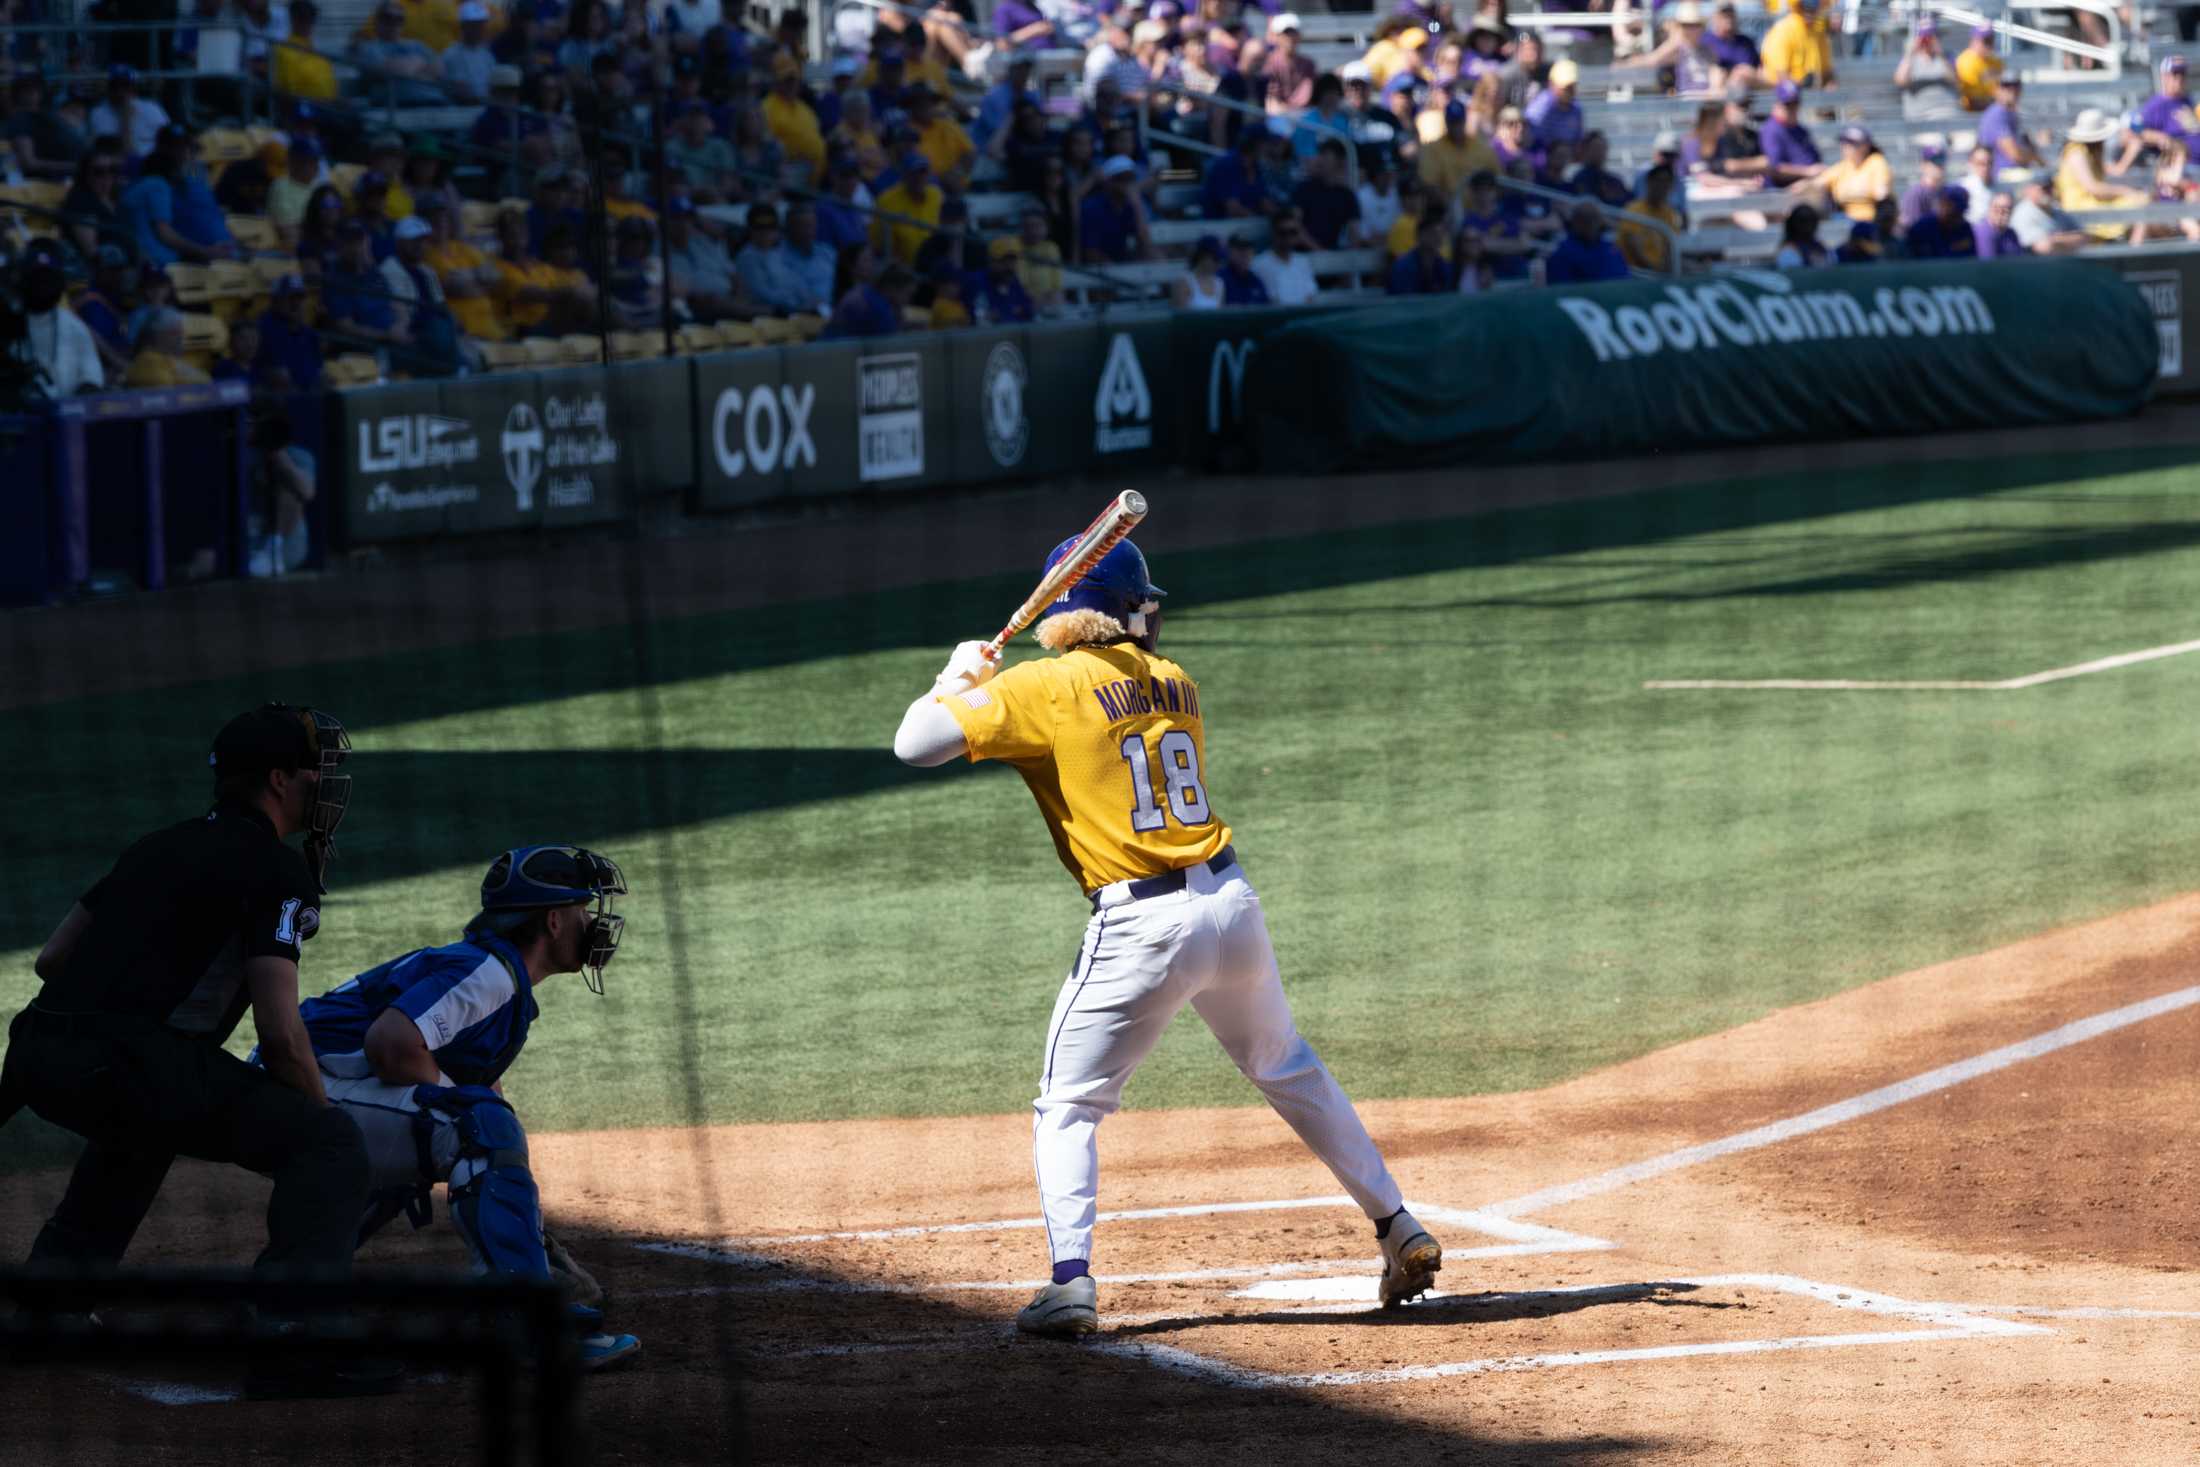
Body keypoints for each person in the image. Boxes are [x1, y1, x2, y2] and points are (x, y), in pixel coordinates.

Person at [891, 542, 1443, 1339]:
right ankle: (1397, 1223)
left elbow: (913, 743)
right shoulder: (1175, 679)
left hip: (1142, 927)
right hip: (1230, 905)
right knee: (1286, 1062)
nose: (1154, 611)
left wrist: (957, 678)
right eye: (1142, 602)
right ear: (1121, 609)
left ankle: (1070, 1283)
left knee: (1068, 1106)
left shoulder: (1044, 686)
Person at [0, 706, 382, 1399]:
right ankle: (297, 1339)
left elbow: (54, 958)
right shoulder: (277, 871)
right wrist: (325, 1121)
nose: (324, 786)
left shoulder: (155, 844)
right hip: (126, 1061)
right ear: (275, 780)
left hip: (33, 1049)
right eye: (313, 773)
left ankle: (48, 1307)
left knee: (145, 1118)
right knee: (326, 1143)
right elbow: (280, 1032)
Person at [287, 846, 639, 1372]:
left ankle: (292, 1298)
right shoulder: (489, 973)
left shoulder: (496, 977)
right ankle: (524, 1328)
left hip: (313, 1089)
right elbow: (390, 1044)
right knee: (476, 1125)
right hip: (304, 1090)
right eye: (584, 910)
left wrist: (530, 1238)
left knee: (465, 1123)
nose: (592, 922)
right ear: (554, 919)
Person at [11, 241, 106, 397]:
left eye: (48, 278)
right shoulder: (9, 325)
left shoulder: (73, 326)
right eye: (37, 278)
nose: (43, 284)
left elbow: (92, 379)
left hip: (67, 415)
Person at [2057, 108, 2147, 242]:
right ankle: (2135, 252)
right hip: (2081, 206)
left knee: (2143, 201)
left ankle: (2134, 249)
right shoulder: (2076, 152)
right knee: (2139, 204)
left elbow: (2115, 171)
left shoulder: (2089, 153)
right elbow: (2093, 188)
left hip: (2091, 202)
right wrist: (2125, 191)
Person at [5, 73, 86, 182]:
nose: (33, 92)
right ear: (18, 93)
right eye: (27, 89)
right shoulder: (20, 120)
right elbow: (30, 163)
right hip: (58, 180)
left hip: (83, 168)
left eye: (36, 88)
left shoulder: (49, 113)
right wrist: (74, 166)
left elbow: (77, 126)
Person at [1804, 124, 1889, 224]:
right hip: (1844, 220)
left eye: (1852, 144)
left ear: (1865, 146)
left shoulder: (1876, 162)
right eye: (1844, 143)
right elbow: (1817, 184)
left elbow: (1882, 195)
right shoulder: (1843, 166)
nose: (1846, 147)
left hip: (1871, 221)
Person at [1079, 154, 1154, 263]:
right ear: (1108, 182)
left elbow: (1144, 242)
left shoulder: (1130, 205)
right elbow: (1090, 252)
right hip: (1096, 269)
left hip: (1121, 262)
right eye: (1120, 178)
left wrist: (1137, 205)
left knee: (1155, 256)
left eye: (1130, 178)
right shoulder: (1092, 207)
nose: (1126, 183)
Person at [89, 65, 172, 163]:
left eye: (125, 85)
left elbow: (168, 140)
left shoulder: (152, 109)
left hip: (151, 164)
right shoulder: (98, 113)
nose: (120, 91)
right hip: (114, 167)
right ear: (109, 87)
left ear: (133, 86)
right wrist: (125, 120)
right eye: (115, 85)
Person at [872, 151, 945, 264]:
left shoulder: (936, 195)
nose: (919, 177)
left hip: (934, 264)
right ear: (904, 175)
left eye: (923, 172)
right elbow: (879, 246)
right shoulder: (887, 201)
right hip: (905, 269)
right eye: (914, 173)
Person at [256, 274, 325, 390]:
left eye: (299, 298)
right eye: (290, 298)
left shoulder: (309, 333)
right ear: (275, 301)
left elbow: (319, 370)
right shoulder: (263, 330)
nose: (296, 303)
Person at [1292, 138, 1362, 249]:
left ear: (1340, 161)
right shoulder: (1303, 189)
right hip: (1304, 256)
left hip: (1334, 256)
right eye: (1319, 154)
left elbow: (1354, 231)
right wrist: (1318, 250)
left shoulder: (1347, 195)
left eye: (1325, 155)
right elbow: (1294, 224)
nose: (1319, 159)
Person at [122, 307, 212, 387]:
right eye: (175, 333)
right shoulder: (148, 363)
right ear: (158, 335)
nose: (181, 338)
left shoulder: (169, 359)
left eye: (181, 332)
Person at [274, 0, 341, 103]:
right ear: (293, 20)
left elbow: (330, 82)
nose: (307, 24)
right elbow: (291, 89)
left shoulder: (315, 48)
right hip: (306, 107)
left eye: (310, 20)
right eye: (302, 19)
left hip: (327, 104)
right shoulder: (284, 49)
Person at [1618, 163, 1681, 272]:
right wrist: (1655, 270)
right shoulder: (1633, 210)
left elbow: (1669, 250)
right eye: (1659, 181)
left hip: (1661, 273)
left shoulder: (1670, 214)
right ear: (1649, 182)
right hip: (1637, 274)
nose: (1662, 186)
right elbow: (1634, 249)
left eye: (1667, 182)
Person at [1544, 200, 1628, 283]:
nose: (1590, 224)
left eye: (1593, 219)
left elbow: (1623, 281)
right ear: (1575, 222)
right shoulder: (1562, 253)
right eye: (1585, 220)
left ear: (1599, 222)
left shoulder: (1612, 250)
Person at [1757, 80, 1822, 185]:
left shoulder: (1800, 130)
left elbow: (1815, 159)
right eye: (1788, 105)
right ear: (1777, 104)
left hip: (1808, 185)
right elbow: (1774, 168)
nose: (1793, 109)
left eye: (1795, 104)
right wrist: (1807, 172)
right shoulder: (1770, 130)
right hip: (1783, 190)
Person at [1759, 0, 1833, 90]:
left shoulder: (1819, 34)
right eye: (1805, 7)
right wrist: (1801, 86)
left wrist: (1831, 86)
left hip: (1814, 94)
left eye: (1813, 7)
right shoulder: (1783, 30)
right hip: (1784, 96)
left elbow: (1827, 72)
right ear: (1797, 6)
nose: (1809, 12)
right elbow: (1780, 75)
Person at [1894, 20, 1959, 121]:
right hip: (1922, 115)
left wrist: (1940, 55)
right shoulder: (1910, 60)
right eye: (1924, 37)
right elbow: (1901, 81)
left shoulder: (1947, 57)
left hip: (1948, 112)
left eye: (1931, 36)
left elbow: (1954, 79)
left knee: (1967, 137)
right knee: (1934, 137)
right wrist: (1910, 53)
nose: (1927, 41)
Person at [1250, 207, 1316, 303]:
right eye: (1283, 233)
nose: (1288, 237)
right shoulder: (1258, 264)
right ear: (1273, 233)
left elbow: (1310, 297)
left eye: (1293, 232)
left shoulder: (1303, 262)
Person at [1386, 200, 1455, 293]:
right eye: (1433, 233)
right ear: (1420, 235)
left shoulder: (1444, 267)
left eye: (1441, 233)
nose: (1438, 238)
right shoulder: (1403, 267)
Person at [1978, 76, 2041, 173]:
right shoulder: (1997, 114)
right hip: (2001, 174)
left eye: (2016, 85)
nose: (2012, 90)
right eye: (2006, 86)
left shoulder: (2010, 113)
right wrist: (2035, 158)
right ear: (1996, 90)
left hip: (2013, 172)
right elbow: (2015, 154)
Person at [2011, 178, 2089, 255]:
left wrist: (2057, 239)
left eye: (2050, 188)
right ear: (2029, 190)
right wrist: (2070, 239)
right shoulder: (2023, 213)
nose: (2048, 192)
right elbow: (2043, 248)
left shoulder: (2056, 210)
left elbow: (2085, 237)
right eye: (2044, 188)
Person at [1903, 185, 1979, 260]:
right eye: (1943, 203)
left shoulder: (1965, 228)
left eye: (1949, 205)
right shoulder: (1923, 227)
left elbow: (1971, 260)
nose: (1944, 208)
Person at [1523, 58, 1582, 151]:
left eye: (1571, 87)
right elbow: (1530, 142)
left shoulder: (1576, 110)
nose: (1569, 91)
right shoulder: (1540, 108)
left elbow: (1578, 142)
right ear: (1552, 84)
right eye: (1565, 87)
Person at [975, 235, 1037, 323]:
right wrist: (1013, 311)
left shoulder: (1013, 281)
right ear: (991, 261)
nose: (1010, 267)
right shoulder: (978, 281)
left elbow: (1029, 309)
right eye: (1004, 261)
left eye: (1013, 261)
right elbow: (982, 316)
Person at [1896, 143, 1948, 232]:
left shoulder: (1945, 192)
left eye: (1942, 160)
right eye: (1935, 161)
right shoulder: (1915, 194)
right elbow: (1911, 228)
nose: (1940, 165)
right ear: (1923, 165)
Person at [1702, 3, 1758, 82]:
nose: (1728, 19)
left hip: (1748, 88)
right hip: (1719, 88)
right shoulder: (1706, 41)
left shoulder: (1746, 42)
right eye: (1724, 16)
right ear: (1715, 18)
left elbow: (1757, 69)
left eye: (1731, 15)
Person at [1954, 24, 2001, 112]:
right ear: (1974, 41)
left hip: (1991, 107)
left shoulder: (1996, 61)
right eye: (1985, 41)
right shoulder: (1966, 61)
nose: (1989, 45)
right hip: (1969, 112)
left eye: (1991, 40)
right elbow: (1973, 99)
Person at [1172, 234, 1226, 309]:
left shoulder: (1219, 283)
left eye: (1220, 259)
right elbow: (1181, 318)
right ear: (1202, 256)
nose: (1218, 264)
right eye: (1215, 258)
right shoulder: (1183, 283)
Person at [1218, 230, 1271, 305]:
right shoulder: (1220, 279)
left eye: (1248, 249)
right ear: (1229, 251)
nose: (1244, 254)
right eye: (1240, 249)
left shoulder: (1256, 280)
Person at [1772, 201, 1827, 268]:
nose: (1808, 226)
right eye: (1802, 221)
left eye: (1811, 220)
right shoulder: (1788, 253)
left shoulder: (1819, 246)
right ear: (1792, 224)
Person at [1974, 191, 2024, 257]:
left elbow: (2020, 259)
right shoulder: (1982, 232)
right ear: (1989, 209)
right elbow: (1989, 264)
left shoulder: (2011, 233)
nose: (2001, 213)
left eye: (2007, 209)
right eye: (1997, 208)